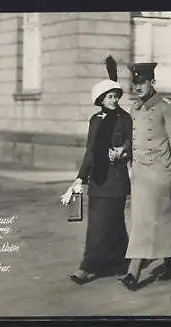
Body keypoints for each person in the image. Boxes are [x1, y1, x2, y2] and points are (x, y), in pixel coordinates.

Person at [61, 56, 132, 285]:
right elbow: (90, 150)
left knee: (110, 222)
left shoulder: (125, 118)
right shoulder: (95, 120)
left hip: (117, 179)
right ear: (101, 100)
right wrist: (80, 178)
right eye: (109, 97)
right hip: (98, 180)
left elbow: (134, 142)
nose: (113, 100)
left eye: (116, 96)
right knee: (103, 224)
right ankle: (120, 261)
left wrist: (123, 151)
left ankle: (87, 267)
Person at [119, 62, 171, 291]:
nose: (137, 87)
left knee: (155, 223)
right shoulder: (135, 109)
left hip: (160, 175)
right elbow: (133, 139)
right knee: (149, 222)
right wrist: (123, 151)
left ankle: (133, 272)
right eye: (134, 83)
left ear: (152, 83)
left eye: (142, 82)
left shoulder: (167, 109)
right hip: (140, 175)